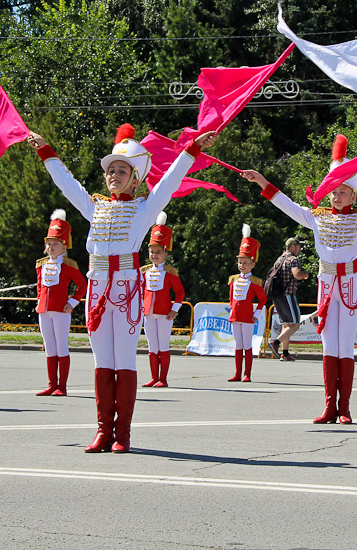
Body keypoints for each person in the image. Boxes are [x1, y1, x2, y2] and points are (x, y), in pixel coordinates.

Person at [28, 124, 218, 453]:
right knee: (102, 361)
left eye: (121, 171)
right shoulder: (95, 207)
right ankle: (103, 430)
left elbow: (171, 180)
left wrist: (193, 148)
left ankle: (123, 434)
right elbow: (66, 183)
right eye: (110, 171)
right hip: (98, 290)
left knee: (125, 361)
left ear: (135, 179)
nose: (113, 175)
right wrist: (45, 149)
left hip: (128, 290)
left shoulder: (144, 208)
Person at [242, 134, 357, 424]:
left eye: (342, 192)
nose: (336, 196)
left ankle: (345, 408)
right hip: (326, 283)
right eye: (333, 191)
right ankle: (329, 406)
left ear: (353, 195)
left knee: (344, 346)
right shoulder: (317, 217)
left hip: (350, 284)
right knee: (329, 346)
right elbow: (287, 205)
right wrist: (262, 181)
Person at [35, 209, 87, 396]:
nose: (51, 247)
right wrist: (39, 301)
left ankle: (62, 387)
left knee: (61, 347)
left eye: (55, 244)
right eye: (49, 244)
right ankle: (51, 385)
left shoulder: (69, 266)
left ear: (64, 247)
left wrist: (72, 302)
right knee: (49, 347)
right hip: (44, 310)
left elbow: (82, 286)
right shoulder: (41, 264)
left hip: (61, 311)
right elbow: (40, 286)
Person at [140, 213, 185, 388]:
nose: (155, 255)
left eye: (158, 252)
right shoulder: (144, 271)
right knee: (152, 345)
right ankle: (154, 377)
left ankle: (163, 379)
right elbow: (139, 291)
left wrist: (174, 310)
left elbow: (180, 292)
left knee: (163, 345)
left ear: (165, 253)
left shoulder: (170, 272)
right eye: (152, 252)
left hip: (165, 313)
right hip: (148, 313)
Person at [228, 224, 266, 383]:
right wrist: (232, 310)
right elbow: (231, 299)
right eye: (240, 262)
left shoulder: (255, 282)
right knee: (238, 345)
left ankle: (247, 374)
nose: (241, 266)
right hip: (235, 317)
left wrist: (257, 313)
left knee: (247, 345)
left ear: (252, 264)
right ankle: (237, 373)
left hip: (248, 317)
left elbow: (263, 299)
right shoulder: (233, 280)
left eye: (245, 263)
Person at [267, 237, 309, 362]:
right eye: (298, 247)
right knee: (295, 324)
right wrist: (305, 274)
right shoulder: (293, 259)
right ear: (292, 247)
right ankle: (275, 343)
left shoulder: (279, 259)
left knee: (286, 324)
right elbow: (297, 275)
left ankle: (285, 353)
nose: (299, 250)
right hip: (288, 295)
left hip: (277, 295)